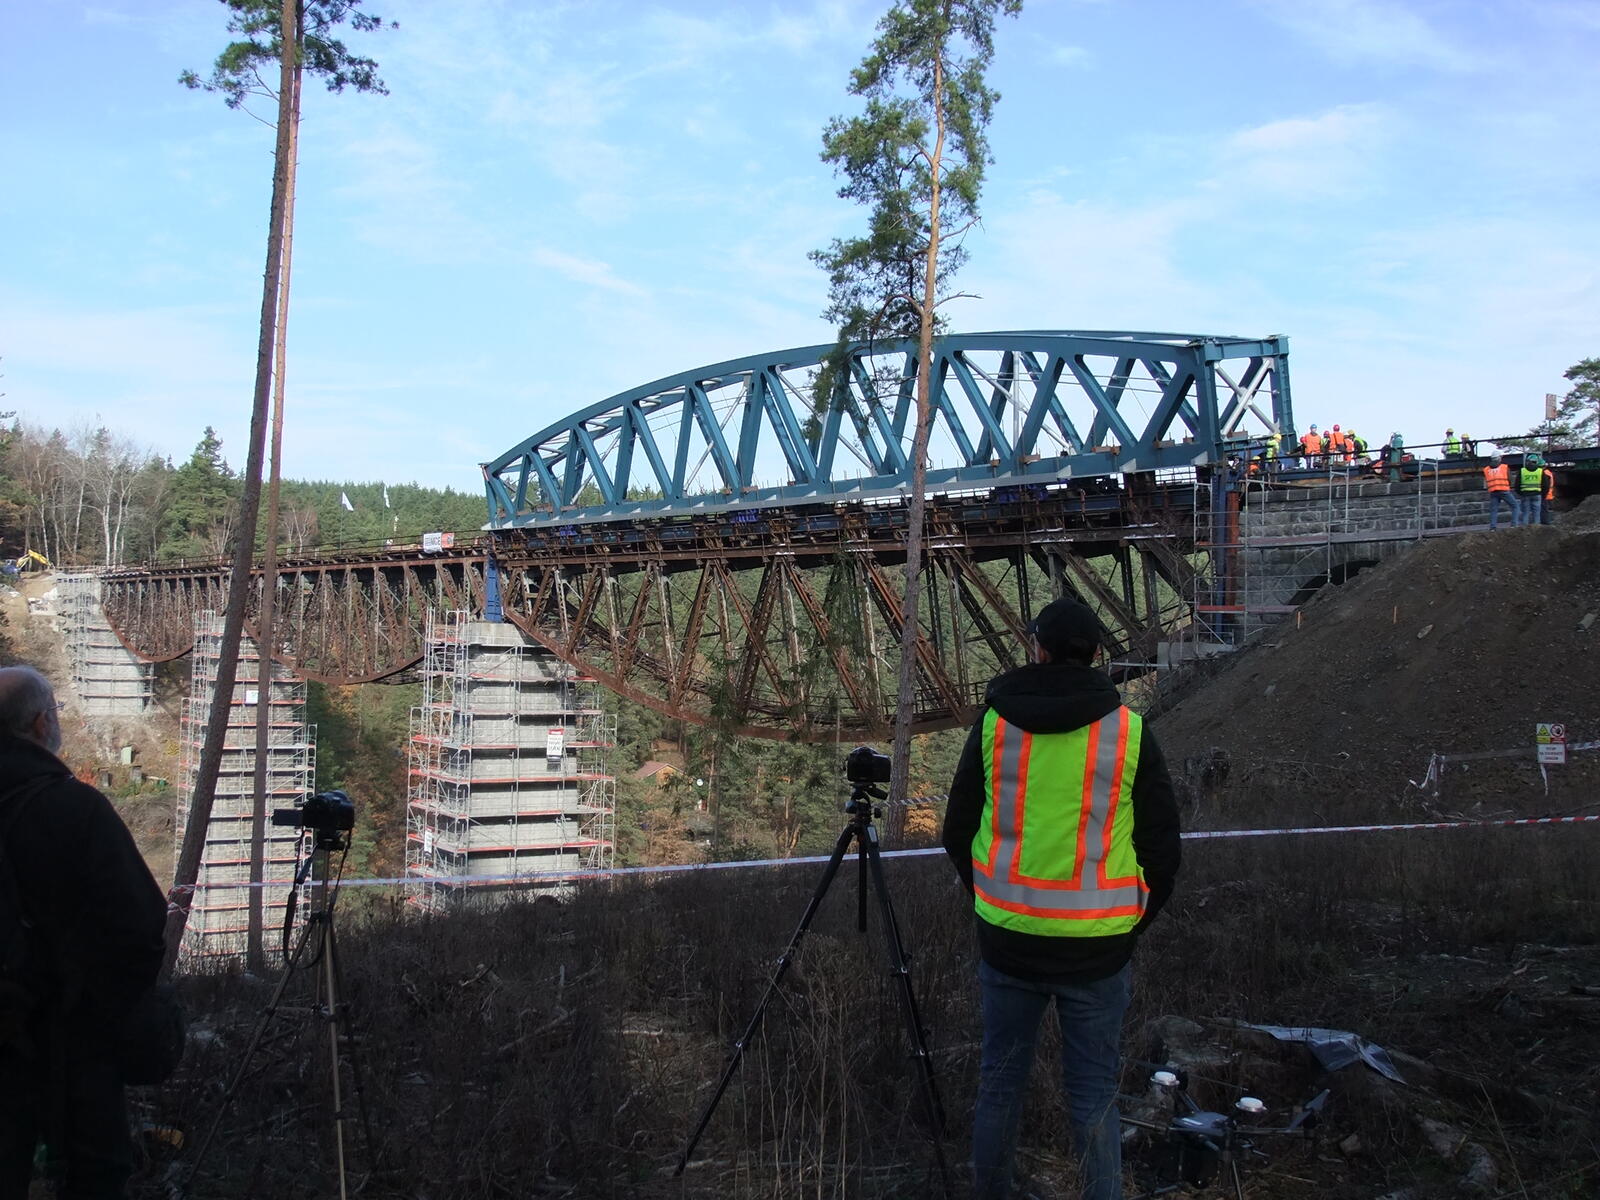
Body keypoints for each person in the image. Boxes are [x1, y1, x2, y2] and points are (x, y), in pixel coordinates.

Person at [942, 599, 1182, 1200]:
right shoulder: (1128, 731)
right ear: (1097, 655)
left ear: (1039, 649)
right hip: (1097, 950)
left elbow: (956, 831)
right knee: (1094, 1097)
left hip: (1008, 942)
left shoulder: (995, 723)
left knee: (998, 1086)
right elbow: (1162, 847)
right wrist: (1128, 921)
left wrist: (993, 900)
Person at [0, 666, 167, 1200]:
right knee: (95, 1175)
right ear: (41, 722)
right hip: (71, 1043)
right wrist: (99, 1011)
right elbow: (139, 929)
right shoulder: (73, 808)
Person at [1483, 453, 1518, 531]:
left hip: (1493, 491)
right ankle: (1514, 525)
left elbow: (1486, 481)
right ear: (1499, 458)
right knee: (1515, 506)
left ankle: (1492, 527)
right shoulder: (1504, 467)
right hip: (1504, 489)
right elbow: (1510, 479)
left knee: (1494, 510)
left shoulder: (1486, 469)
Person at [1516, 454, 1545, 526]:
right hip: (1537, 494)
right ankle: (1536, 529)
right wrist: (1543, 493)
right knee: (1536, 513)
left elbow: (1517, 484)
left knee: (1525, 513)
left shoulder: (1522, 471)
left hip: (1525, 495)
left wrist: (1521, 493)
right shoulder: (1540, 471)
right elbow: (1545, 484)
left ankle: (1525, 530)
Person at [1541, 459, 1556, 525]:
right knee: (1546, 509)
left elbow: (1546, 485)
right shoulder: (1548, 472)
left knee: (1544, 509)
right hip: (1549, 494)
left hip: (1546, 494)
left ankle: (1546, 523)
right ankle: (1546, 522)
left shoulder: (1545, 473)